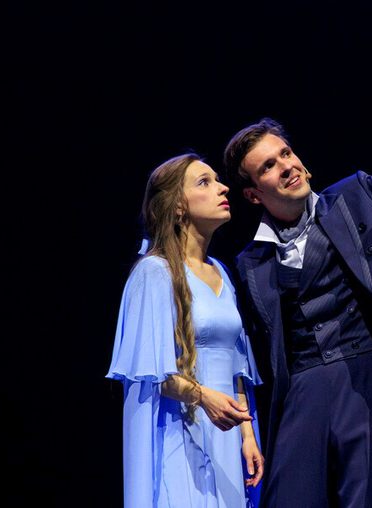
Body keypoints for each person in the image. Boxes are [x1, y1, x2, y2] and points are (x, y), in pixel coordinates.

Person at [222, 17, 372, 508]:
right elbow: (243, 349)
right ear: (253, 194)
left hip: (370, 376)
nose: (286, 166)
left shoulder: (356, 196)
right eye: (269, 166)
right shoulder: (251, 262)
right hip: (304, 392)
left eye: (286, 153)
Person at [106, 153, 264, 507]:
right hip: (181, 432)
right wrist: (203, 396)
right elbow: (150, 375)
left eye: (217, 180)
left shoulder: (221, 272)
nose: (223, 188)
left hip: (227, 438)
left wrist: (247, 434)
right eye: (204, 182)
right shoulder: (154, 273)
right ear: (178, 206)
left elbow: (237, 365)